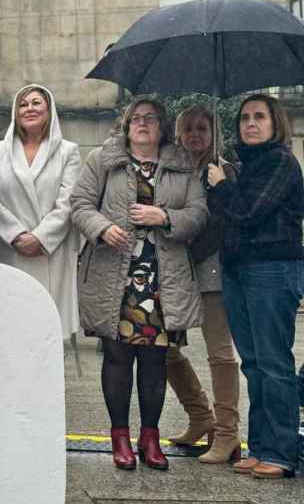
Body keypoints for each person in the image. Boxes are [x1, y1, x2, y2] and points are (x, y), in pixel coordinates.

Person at [71, 97, 207, 472]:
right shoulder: (103, 160)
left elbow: (198, 214)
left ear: (162, 126)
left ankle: (150, 437)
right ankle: (119, 436)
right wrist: (103, 228)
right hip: (115, 274)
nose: (142, 124)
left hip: (164, 278)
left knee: (155, 358)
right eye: (136, 119)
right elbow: (80, 204)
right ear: (126, 125)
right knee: (116, 355)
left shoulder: (181, 165)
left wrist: (164, 215)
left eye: (150, 118)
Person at [207, 94, 304, 479]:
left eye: (258, 117)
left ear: (274, 122)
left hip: (271, 269)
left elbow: (248, 212)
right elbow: (225, 216)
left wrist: (223, 186)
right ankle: (260, 446)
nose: (250, 123)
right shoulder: (244, 166)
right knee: (253, 363)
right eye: (245, 118)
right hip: (238, 269)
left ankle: (281, 453)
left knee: (274, 363)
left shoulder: (279, 161)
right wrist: (219, 184)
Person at [165, 105, 241, 464]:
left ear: (214, 133)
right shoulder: (174, 171)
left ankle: (227, 433)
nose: (195, 134)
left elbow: (221, 223)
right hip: (176, 272)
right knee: (163, 348)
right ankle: (200, 417)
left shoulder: (222, 171)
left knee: (220, 353)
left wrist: (219, 184)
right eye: (189, 128)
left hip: (210, 271)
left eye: (202, 128)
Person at [0, 84, 81, 348]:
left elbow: (69, 201)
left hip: (51, 251)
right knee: (13, 333)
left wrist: (40, 238)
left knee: (47, 336)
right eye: (23, 104)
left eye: (36, 103)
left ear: (49, 109)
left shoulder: (68, 151)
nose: (29, 108)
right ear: (15, 113)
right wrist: (16, 235)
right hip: (11, 250)